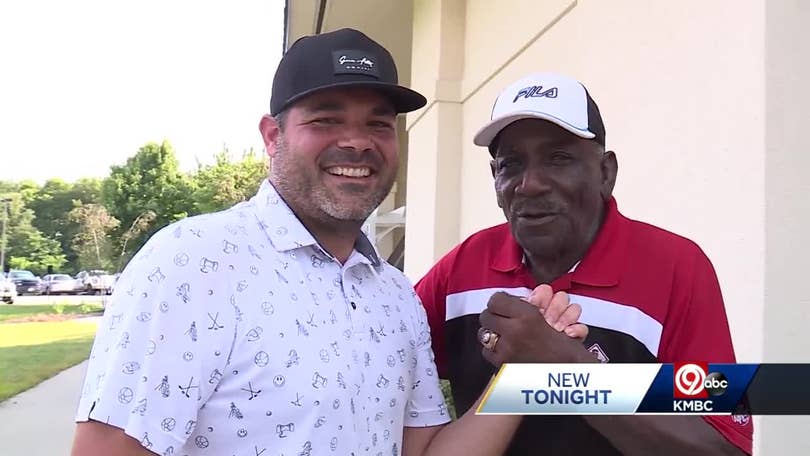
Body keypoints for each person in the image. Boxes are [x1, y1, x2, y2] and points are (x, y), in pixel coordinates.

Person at [70, 30, 586, 456]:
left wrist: (523, 376)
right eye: (326, 119)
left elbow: (426, 453)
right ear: (273, 137)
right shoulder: (194, 264)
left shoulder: (395, 298)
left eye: (378, 124)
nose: (357, 141)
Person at [415, 72, 753, 455]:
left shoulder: (677, 268)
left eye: (558, 158)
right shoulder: (462, 269)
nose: (531, 184)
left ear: (605, 173)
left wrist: (568, 367)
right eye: (511, 164)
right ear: (495, 180)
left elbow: (724, 448)